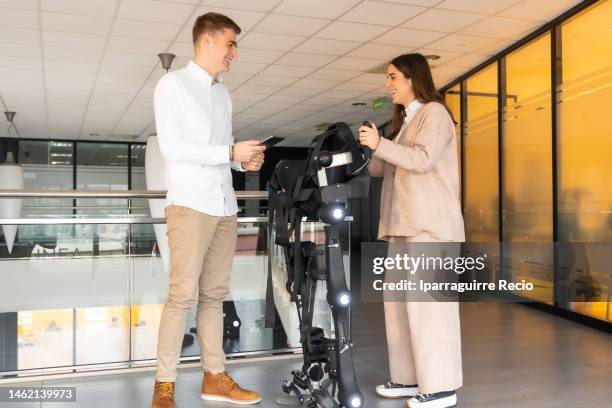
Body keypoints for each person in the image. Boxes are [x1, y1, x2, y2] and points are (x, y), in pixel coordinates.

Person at [151, 12, 265, 408]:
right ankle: (163, 386)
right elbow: (173, 148)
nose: (234, 52)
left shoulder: (223, 94)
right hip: (189, 204)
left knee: (214, 296)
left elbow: (223, 147)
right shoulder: (173, 85)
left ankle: (214, 378)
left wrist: (240, 161)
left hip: (223, 205)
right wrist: (228, 152)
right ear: (207, 42)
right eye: (231, 43)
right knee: (181, 296)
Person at [358, 53, 465, 408]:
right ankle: (408, 378)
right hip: (402, 226)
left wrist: (383, 145)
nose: (387, 84)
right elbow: (378, 170)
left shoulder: (434, 113)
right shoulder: (405, 121)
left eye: (392, 77)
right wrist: (375, 147)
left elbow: (422, 160)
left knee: (429, 309)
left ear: (410, 78)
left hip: (430, 227)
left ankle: (441, 387)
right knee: (400, 306)